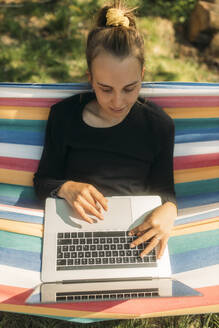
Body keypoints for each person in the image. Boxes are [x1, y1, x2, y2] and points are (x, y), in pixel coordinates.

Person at [33, 0, 177, 259]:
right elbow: (42, 182)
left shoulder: (158, 126)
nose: (118, 102)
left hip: (135, 236)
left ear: (142, 75)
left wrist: (170, 211)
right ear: (90, 78)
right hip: (75, 229)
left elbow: (165, 192)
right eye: (105, 89)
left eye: (130, 88)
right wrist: (66, 187)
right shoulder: (64, 117)